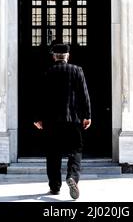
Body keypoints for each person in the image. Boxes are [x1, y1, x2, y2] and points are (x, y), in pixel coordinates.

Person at [34, 43, 91, 200]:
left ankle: (54, 186)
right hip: (73, 120)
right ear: (68, 56)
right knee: (76, 150)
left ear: (54, 56)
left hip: (52, 121)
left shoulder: (47, 72)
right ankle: (72, 176)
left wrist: (37, 118)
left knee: (53, 153)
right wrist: (87, 116)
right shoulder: (77, 70)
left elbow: (40, 97)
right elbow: (84, 95)